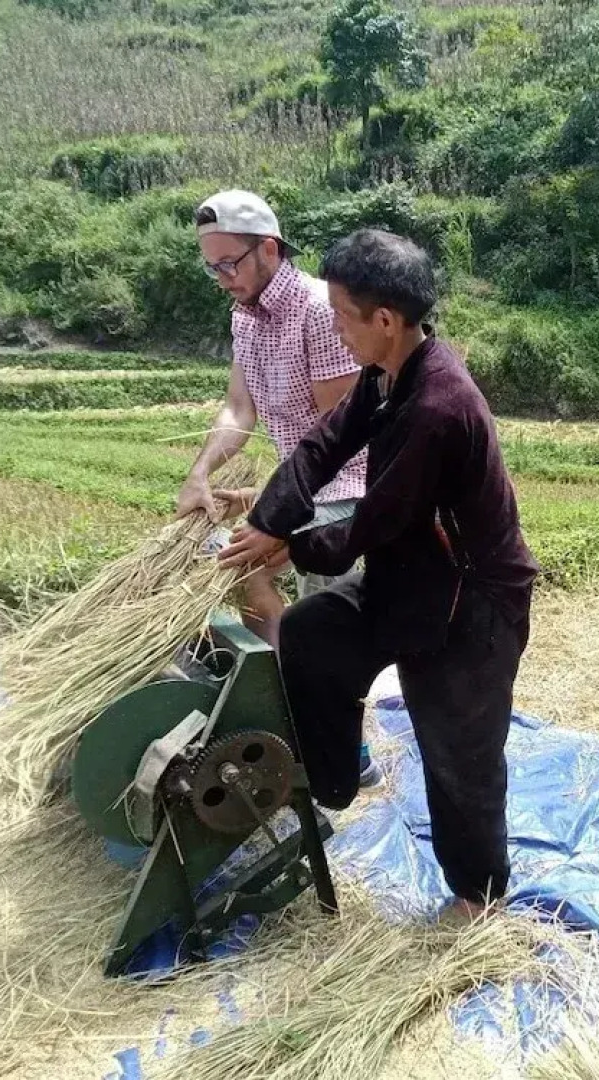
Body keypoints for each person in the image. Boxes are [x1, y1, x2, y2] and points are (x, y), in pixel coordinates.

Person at [218, 229, 539, 917]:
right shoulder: (389, 375)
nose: (334, 327)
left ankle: (479, 897)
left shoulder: (437, 408)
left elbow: (372, 523)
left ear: (385, 321)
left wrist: (289, 551)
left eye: (339, 315)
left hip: (471, 601)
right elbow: (325, 443)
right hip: (413, 571)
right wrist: (270, 520)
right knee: (312, 632)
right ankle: (331, 778)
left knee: (457, 751)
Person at [181, 189, 380, 786]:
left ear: (268, 248)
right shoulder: (244, 316)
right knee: (242, 567)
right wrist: (201, 473)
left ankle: (350, 757)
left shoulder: (320, 310)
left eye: (229, 264)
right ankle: (289, 705)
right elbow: (239, 410)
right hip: (299, 482)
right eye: (210, 266)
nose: (221, 279)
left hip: (343, 488)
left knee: (325, 623)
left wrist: (273, 508)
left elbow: (338, 438)